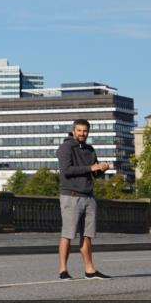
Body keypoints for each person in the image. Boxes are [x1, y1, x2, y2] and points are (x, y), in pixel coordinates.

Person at [56, 119, 110, 280]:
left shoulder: (90, 149)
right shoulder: (65, 148)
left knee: (87, 235)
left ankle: (89, 270)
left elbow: (94, 174)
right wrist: (90, 167)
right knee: (68, 234)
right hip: (71, 196)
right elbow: (66, 171)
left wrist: (101, 169)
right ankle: (63, 270)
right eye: (79, 130)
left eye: (85, 131)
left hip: (88, 197)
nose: (82, 134)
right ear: (73, 131)